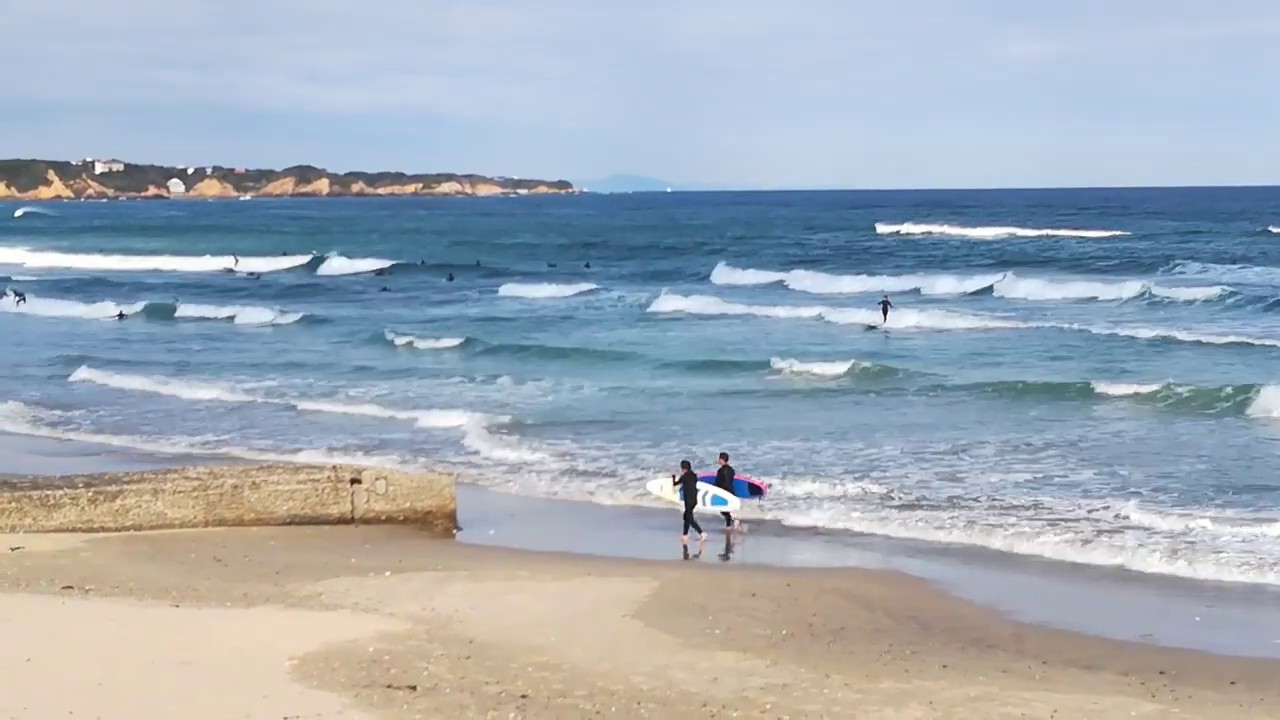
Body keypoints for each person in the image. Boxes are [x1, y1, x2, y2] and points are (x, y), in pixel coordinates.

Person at [673, 460, 707, 543]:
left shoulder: (684, 476)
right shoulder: (694, 475)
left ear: (683, 468)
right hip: (694, 499)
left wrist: (673, 478)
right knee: (687, 516)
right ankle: (685, 535)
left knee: (688, 517)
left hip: (688, 499)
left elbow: (675, 484)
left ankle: (701, 533)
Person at [714, 452, 739, 530]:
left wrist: (713, 488)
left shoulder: (720, 471)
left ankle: (730, 524)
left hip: (724, 492)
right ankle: (730, 524)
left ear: (722, 460)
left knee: (723, 510)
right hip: (731, 491)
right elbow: (730, 480)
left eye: (719, 459)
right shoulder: (732, 470)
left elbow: (719, 483)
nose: (718, 460)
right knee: (725, 510)